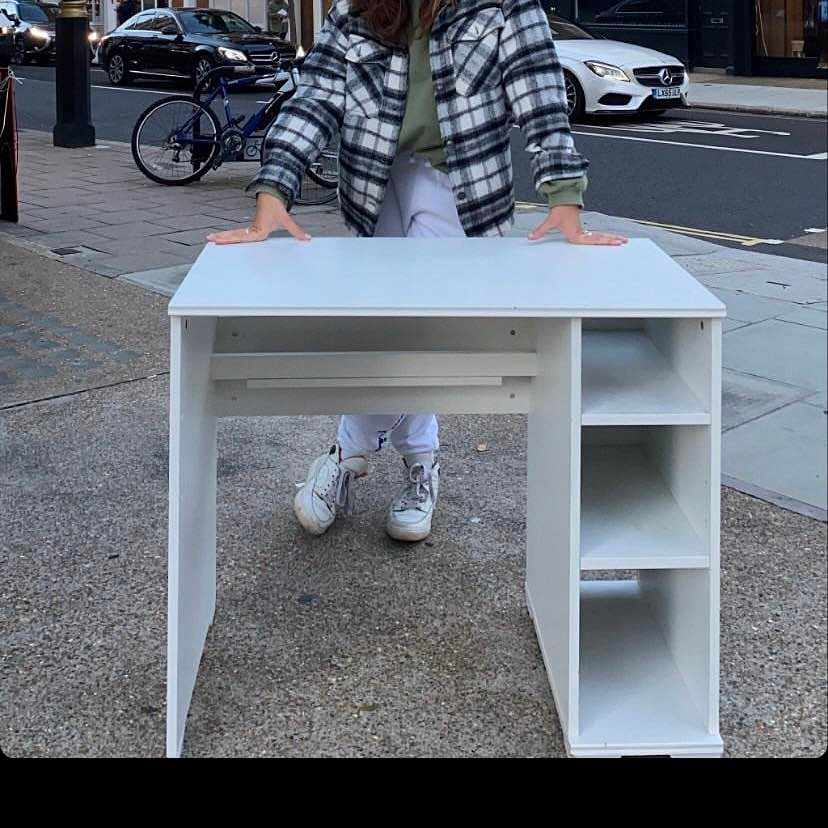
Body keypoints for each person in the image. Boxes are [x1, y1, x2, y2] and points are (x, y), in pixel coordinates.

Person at [206, 0, 628, 542]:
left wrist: (563, 197)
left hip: (460, 183)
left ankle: (349, 452)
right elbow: (316, 96)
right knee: (386, 327)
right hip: (372, 183)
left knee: (420, 325)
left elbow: (540, 96)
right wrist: (273, 188)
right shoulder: (353, 9)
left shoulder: (506, 7)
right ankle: (421, 463)